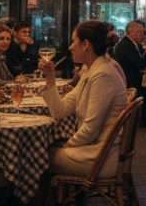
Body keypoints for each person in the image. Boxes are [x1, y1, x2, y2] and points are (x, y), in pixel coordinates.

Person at [38, 20, 129, 177]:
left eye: (74, 42)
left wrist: (65, 146)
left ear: (86, 44)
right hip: (94, 149)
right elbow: (60, 111)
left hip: (101, 158)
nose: (70, 47)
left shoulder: (103, 75)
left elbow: (89, 131)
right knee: (40, 151)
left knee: (37, 158)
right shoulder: (91, 69)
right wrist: (50, 79)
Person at [113, 21, 146, 122]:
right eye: (140, 32)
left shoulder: (130, 44)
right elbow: (141, 65)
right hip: (129, 84)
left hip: (129, 81)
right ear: (132, 32)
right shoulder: (126, 46)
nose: (142, 35)